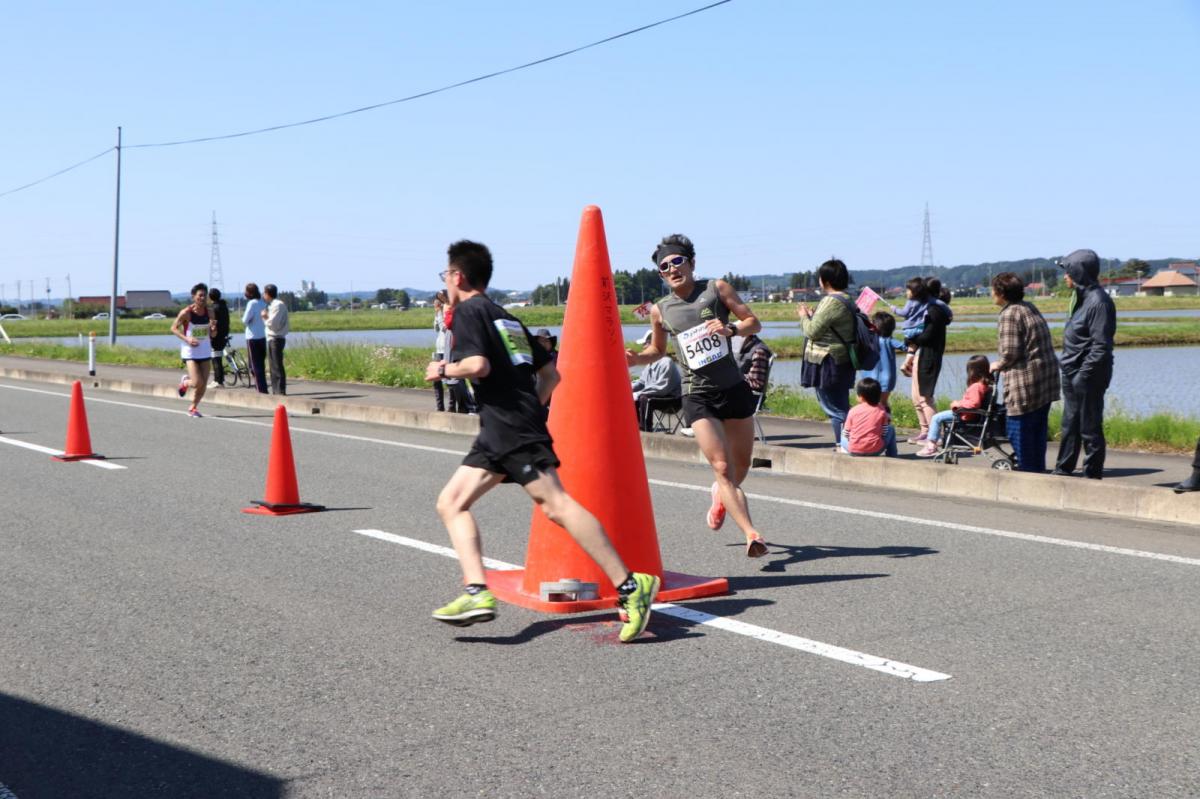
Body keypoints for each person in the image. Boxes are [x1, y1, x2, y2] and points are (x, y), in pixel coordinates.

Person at [424, 240, 659, 642]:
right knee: (451, 502)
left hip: (508, 427)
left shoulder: (467, 311)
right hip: (503, 427)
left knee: (557, 505)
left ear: (458, 276)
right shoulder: (507, 318)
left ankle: (630, 585)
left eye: (445, 275)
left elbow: (477, 365)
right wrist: (529, 406)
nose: (445, 282)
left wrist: (444, 369)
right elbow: (552, 375)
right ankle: (477, 592)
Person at [628, 233, 768, 557]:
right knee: (721, 467)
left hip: (733, 388)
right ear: (661, 276)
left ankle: (721, 497)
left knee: (741, 464)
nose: (672, 269)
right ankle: (752, 534)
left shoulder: (716, 289)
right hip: (697, 395)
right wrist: (637, 359)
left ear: (691, 262)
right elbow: (657, 350)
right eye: (665, 267)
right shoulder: (660, 310)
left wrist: (731, 329)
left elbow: (753, 322)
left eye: (677, 261)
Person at [1054, 249, 1116, 479]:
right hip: (1071, 372)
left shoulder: (1099, 302)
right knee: (1070, 424)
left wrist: (1083, 375)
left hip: (1088, 375)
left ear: (1079, 272)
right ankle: (1063, 470)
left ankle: (1092, 476)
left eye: (1068, 271)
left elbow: (1101, 346)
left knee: (1089, 428)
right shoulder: (1081, 299)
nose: (1064, 276)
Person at [989, 272, 1061, 473]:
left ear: (1001, 292)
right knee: (1037, 431)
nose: (991, 294)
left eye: (993, 290)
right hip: (1045, 380)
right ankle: (1037, 470)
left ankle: (1029, 475)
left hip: (1026, 383)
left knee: (1018, 432)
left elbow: (1010, 352)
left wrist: (998, 365)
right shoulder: (1029, 307)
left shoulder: (1010, 313)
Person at [797, 259, 857, 451]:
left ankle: (845, 444)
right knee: (839, 404)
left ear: (825, 280)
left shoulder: (831, 301)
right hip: (839, 359)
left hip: (828, 360)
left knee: (835, 408)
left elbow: (812, 331)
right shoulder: (846, 299)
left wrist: (804, 316)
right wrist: (814, 316)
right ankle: (849, 442)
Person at [916, 355, 992, 457]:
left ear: (972, 371)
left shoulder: (976, 386)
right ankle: (935, 442)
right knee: (939, 417)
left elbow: (974, 403)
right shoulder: (984, 385)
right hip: (966, 413)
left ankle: (931, 445)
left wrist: (958, 404)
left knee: (936, 418)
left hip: (964, 414)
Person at [907, 276, 952, 444]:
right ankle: (925, 431)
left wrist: (912, 339)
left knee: (925, 398)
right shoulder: (928, 308)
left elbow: (928, 335)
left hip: (929, 357)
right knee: (917, 398)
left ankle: (935, 436)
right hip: (922, 354)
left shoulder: (935, 310)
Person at [171, 282, 214, 418]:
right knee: (196, 382)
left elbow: (213, 335)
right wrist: (187, 339)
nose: (202, 298)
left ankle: (193, 407)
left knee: (203, 384)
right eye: (200, 295)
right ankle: (185, 382)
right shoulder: (186, 313)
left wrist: (213, 330)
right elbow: (173, 328)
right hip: (190, 351)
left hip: (205, 350)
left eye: (204, 296)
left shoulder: (210, 312)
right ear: (193, 297)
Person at [631, 329, 682, 431]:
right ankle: (635, 427)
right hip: (659, 396)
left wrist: (638, 393)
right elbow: (641, 382)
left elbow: (662, 388)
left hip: (673, 399)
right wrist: (626, 388)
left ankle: (646, 428)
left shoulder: (666, 362)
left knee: (644, 398)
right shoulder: (650, 363)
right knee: (634, 398)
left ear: (651, 344)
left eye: (644, 344)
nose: (643, 347)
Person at [859, 311, 907, 411]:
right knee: (883, 403)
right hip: (887, 378)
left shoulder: (869, 340)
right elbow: (905, 347)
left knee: (866, 403)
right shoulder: (889, 340)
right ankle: (885, 423)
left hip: (868, 379)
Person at [839, 377, 898, 457]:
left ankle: (844, 450)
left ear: (861, 397)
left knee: (843, 434)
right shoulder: (881, 410)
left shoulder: (853, 410)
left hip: (854, 450)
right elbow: (884, 432)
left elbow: (846, 433)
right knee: (891, 429)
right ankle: (892, 455)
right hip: (875, 450)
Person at [890, 277, 930, 378]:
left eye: (908, 290)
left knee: (912, 347)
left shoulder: (910, 301)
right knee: (914, 347)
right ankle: (907, 365)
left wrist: (894, 309)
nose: (906, 292)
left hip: (909, 330)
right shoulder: (926, 301)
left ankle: (907, 365)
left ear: (914, 292)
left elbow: (904, 313)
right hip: (920, 329)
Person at [261, 284, 289, 395]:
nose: (263, 295)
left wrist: (264, 317)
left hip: (276, 338)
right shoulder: (272, 305)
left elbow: (273, 324)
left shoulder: (278, 305)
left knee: (277, 365)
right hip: (272, 338)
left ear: (268, 293)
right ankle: (276, 390)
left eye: (264, 293)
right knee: (273, 366)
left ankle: (280, 391)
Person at [242, 283, 269, 394]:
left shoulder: (251, 303)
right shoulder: (263, 302)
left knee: (254, 365)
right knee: (261, 364)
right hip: (263, 336)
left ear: (249, 293)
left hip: (252, 337)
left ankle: (260, 389)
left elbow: (245, 320)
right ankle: (263, 387)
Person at [208, 287, 230, 387]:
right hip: (224, 333)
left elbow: (212, 322)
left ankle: (218, 380)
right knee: (219, 356)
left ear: (210, 297)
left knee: (215, 357)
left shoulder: (213, 308)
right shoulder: (223, 305)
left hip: (216, 335)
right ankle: (220, 379)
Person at [433, 291, 450, 411]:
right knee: (436, 378)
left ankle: (452, 406)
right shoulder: (439, 311)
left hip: (448, 349)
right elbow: (436, 329)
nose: (439, 301)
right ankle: (440, 407)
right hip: (439, 348)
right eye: (438, 298)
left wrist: (439, 313)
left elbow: (445, 328)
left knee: (451, 380)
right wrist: (436, 315)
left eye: (441, 298)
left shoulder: (448, 310)